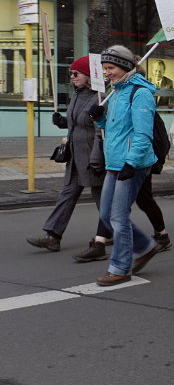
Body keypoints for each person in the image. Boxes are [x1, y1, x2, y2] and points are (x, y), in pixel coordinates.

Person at [88, 45, 159, 286]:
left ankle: (120, 267)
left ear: (125, 67)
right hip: (116, 162)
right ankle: (145, 246)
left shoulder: (140, 93)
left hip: (132, 164)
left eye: (110, 68)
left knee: (118, 217)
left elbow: (143, 134)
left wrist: (131, 162)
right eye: (105, 68)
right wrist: (99, 118)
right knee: (106, 215)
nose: (107, 73)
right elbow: (115, 129)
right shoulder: (117, 91)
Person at [26, 56, 112, 255]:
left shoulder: (100, 99)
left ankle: (115, 231)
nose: (72, 76)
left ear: (89, 76)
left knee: (103, 200)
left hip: (93, 158)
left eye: (76, 73)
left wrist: (97, 158)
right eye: (71, 73)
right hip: (75, 158)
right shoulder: (77, 95)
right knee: (67, 195)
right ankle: (53, 236)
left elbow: (102, 131)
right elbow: (76, 123)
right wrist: (62, 121)